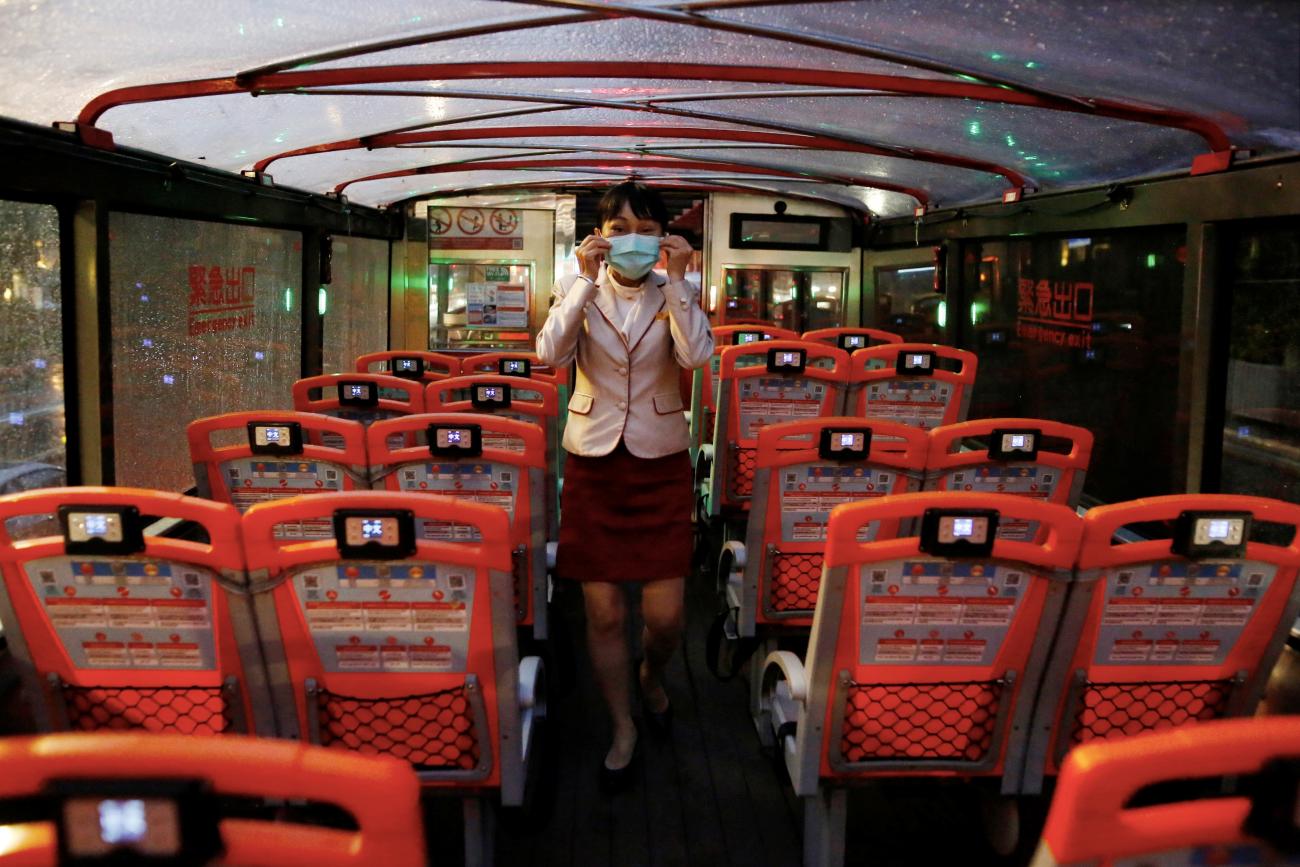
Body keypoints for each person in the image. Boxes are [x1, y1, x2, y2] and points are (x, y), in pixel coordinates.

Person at [536, 181, 713, 789]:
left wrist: (683, 281)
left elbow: (695, 360)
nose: (631, 240)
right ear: (600, 236)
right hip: (594, 462)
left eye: (644, 229)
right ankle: (622, 725)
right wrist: (582, 283)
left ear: (662, 238)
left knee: (665, 619)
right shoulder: (576, 287)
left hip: (660, 461)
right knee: (605, 615)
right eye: (619, 228)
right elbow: (551, 355)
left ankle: (651, 677)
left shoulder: (676, 291)